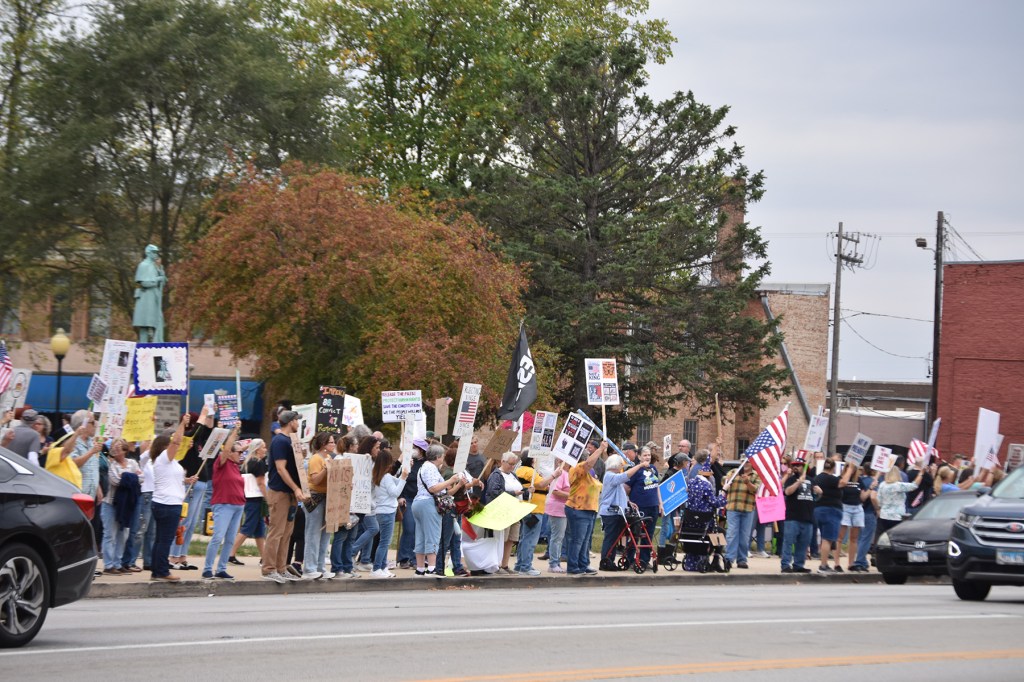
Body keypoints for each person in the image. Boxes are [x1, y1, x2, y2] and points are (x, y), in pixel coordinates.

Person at [262, 410, 308, 583]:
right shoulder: (280, 441)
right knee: (276, 531)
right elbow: (281, 469)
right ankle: (268, 569)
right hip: (280, 491)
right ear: (291, 422)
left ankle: (281, 567)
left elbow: (292, 465)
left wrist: (300, 455)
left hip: (290, 493)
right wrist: (296, 488)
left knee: (287, 532)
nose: (299, 423)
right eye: (297, 420)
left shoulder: (291, 441)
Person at [150, 414, 192, 582]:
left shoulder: (169, 462)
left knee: (161, 539)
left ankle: (156, 570)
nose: (175, 448)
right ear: (164, 447)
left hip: (166, 502)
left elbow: (172, 478)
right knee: (165, 540)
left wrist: (186, 480)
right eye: (170, 446)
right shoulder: (163, 458)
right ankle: (162, 571)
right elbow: (176, 442)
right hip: (168, 504)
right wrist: (182, 424)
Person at [412, 443, 465, 576]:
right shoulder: (430, 468)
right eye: (442, 456)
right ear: (437, 457)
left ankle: (420, 569)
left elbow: (446, 492)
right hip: (427, 504)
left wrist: (458, 484)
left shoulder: (426, 467)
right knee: (432, 536)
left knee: (421, 536)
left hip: (420, 503)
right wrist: (451, 480)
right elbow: (433, 488)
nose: (443, 458)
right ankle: (431, 568)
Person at [201, 425, 244, 580]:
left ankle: (221, 568)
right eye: (238, 452)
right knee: (218, 537)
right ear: (230, 453)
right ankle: (207, 569)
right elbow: (226, 449)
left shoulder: (235, 465)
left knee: (230, 539)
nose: (241, 454)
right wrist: (234, 433)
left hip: (238, 505)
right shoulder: (222, 463)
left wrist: (245, 446)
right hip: (223, 504)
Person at [564, 439, 607, 576]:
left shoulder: (590, 473)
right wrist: (600, 449)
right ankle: (573, 566)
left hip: (589, 509)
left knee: (585, 540)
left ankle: (583, 564)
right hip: (578, 508)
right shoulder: (577, 469)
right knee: (577, 539)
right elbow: (588, 464)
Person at [101, 439, 143, 574]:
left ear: (125, 450)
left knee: (123, 534)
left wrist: (124, 476)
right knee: (110, 534)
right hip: (111, 503)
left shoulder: (133, 462)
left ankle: (118, 563)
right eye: (113, 448)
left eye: (119, 448)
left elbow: (142, 478)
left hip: (127, 504)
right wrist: (131, 476)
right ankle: (108, 564)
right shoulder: (111, 464)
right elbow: (114, 480)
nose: (116, 450)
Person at [681, 449, 727, 572]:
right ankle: (715, 559)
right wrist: (724, 492)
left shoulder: (690, 482)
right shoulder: (706, 485)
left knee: (714, 532)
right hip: (704, 522)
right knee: (720, 533)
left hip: (690, 521)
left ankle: (702, 560)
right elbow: (716, 503)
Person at [598, 454, 644, 570]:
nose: (621, 467)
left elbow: (620, 493)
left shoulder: (614, 477)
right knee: (610, 538)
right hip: (610, 512)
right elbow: (625, 476)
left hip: (617, 512)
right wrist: (639, 466)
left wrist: (628, 502)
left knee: (614, 538)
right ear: (615, 465)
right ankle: (606, 562)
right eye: (620, 465)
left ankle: (610, 561)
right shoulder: (610, 476)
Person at [513, 453, 556, 576]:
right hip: (534, 509)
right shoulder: (530, 472)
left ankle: (520, 564)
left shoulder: (520, 470)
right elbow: (542, 484)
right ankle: (526, 566)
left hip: (527, 507)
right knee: (530, 539)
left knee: (524, 538)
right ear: (532, 459)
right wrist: (554, 475)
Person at [299, 432, 334, 580]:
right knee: (313, 534)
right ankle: (309, 568)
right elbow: (315, 479)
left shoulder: (328, 458)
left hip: (327, 498)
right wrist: (326, 469)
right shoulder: (315, 459)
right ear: (324, 444)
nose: (333, 444)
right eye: (331, 442)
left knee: (325, 536)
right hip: (315, 499)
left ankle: (320, 567)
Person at [482, 451, 524, 574]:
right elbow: (494, 492)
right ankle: (497, 564)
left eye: (514, 464)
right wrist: (514, 493)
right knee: (501, 539)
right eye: (510, 464)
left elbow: (519, 489)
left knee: (511, 538)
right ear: (503, 462)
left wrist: (526, 491)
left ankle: (505, 565)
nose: (512, 466)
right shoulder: (496, 475)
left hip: (514, 510)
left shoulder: (513, 475)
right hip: (502, 511)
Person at [812, 457, 855, 573]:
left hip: (819, 510)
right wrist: (850, 469)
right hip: (830, 510)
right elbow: (843, 482)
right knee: (828, 539)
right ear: (833, 468)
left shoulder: (817, 478)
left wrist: (845, 471)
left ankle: (824, 563)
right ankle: (823, 565)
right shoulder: (830, 479)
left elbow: (840, 480)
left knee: (825, 538)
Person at [229, 439, 268, 566]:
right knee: (248, 527)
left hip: (249, 497)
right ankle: (230, 554)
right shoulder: (258, 463)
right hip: (256, 497)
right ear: (257, 449)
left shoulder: (247, 462)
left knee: (259, 529)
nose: (265, 450)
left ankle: (264, 557)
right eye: (263, 447)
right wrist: (268, 498)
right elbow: (261, 483)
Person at [371, 449, 407, 578]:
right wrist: (403, 478)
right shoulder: (385, 477)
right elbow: (395, 492)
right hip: (386, 512)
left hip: (383, 511)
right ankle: (377, 568)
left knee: (384, 541)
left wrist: (403, 475)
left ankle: (383, 566)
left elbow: (395, 482)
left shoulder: (380, 476)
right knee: (384, 542)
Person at [625, 446, 663, 568]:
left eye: (649, 455)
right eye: (645, 455)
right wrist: (628, 501)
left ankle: (644, 560)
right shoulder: (635, 470)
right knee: (636, 534)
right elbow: (626, 488)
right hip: (640, 506)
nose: (647, 457)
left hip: (653, 505)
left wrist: (660, 503)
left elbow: (656, 486)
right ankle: (630, 559)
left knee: (648, 534)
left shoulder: (653, 469)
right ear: (639, 456)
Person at [723, 459, 759, 571]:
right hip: (733, 507)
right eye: (743, 461)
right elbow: (723, 482)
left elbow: (756, 489)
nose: (746, 463)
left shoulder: (755, 475)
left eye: (748, 461)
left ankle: (742, 560)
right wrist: (728, 479)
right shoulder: (733, 472)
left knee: (744, 536)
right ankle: (729, 558)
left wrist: (748, 482)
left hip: (748, 508)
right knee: (732, 533)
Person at [396, 441, 428, 569]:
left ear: (422, 450)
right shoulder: (407, 461)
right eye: (412, 447)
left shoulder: (426, 465)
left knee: (419, 530)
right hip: (407, 499)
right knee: (409, 528)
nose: (413, 449)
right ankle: (404, 558)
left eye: (416, 448)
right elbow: (399, 478)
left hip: (421, 499)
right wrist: (400, 496)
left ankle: (415, 559)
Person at [780, 457, 814, 573]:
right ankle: (785, 565)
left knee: (803, 543)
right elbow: (788, 492)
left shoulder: (810, 479)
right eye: (794, 465)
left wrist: (819, 490)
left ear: (804, 467)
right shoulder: (791, 479)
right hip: (792, 517)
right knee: (789, 542)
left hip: (807, 517)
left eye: (798, 465)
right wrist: (799, 482)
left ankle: (798, 565)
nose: (795, 467)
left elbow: (817, 493)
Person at [877, 465, 927, 535]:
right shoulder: (898, 485)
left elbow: (878, 500)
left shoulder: (882, 484)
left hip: (884, 515)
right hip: (896, 516)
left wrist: (879, 510)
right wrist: (921, 473)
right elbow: (914, 485)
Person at [851, 464, 880, 572]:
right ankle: (859, 561)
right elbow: (873, 496)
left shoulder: (859, 480)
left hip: (858, 511)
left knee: (859, 539)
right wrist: (878, 509)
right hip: (869, 512)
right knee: (866, 539)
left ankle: (862, 561)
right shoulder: (873, 482)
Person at [544, 462, 571, 573]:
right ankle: (553, 563)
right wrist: (572, 495)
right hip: (557, 508)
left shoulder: (565, 473)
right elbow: (555, 491)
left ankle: (556, 562)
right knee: (557, 537)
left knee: (558, 537)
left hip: (561, 508)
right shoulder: (562, 473)